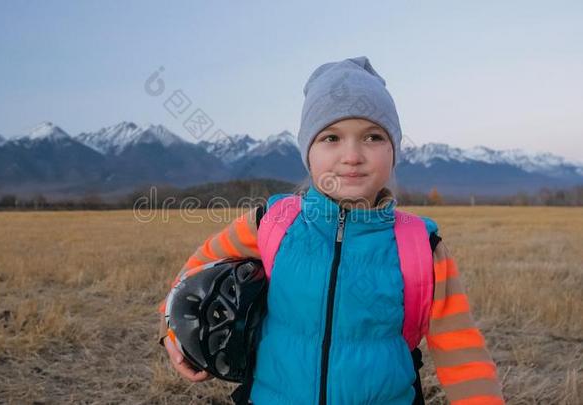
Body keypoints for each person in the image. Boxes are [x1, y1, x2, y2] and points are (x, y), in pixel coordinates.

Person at [157, 56, 504, 404]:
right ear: (309, 152)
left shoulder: (420, 247)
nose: (352, 155)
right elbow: (193, 275)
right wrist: (173, 332)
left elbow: (464, 355)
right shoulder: (273, 222)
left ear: (393, 150)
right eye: (331, 138)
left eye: (372, 137)